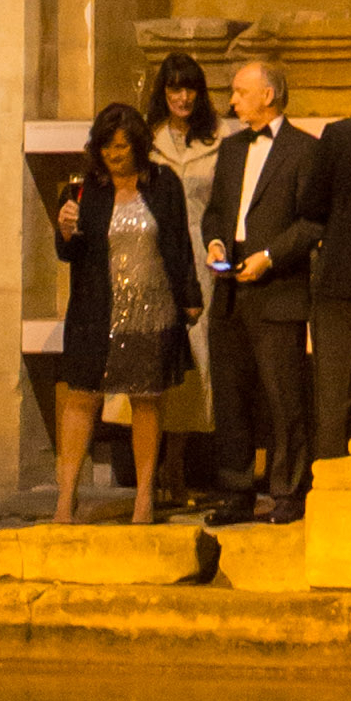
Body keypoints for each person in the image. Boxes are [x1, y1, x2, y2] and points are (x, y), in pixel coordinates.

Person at [49, 98, 197, 523]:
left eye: (122, 146)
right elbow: (68, 253)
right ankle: (66, 497)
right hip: (96, 311)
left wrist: (190, 298)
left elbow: (179, 243)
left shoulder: (164, 183)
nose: (114, 154)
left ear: (138, 145)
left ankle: (144, 497)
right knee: (81, 397)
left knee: (146, 400)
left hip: (151, 310)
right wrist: (64, 230)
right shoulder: (81, 190)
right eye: (107, 146)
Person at [201, 54, 325, 524]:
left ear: (267, 96)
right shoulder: (231, 150)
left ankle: (289, 491)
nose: (231, 101)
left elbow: (312, 220)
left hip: (278, 289)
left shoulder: (304, 150)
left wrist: (270, 257)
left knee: (283, 396)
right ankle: (235, 491)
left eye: (239, 92)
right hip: (229, 288)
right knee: (230, 395)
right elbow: (216, 211)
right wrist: (213, 241)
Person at [139, 51, 226, 508]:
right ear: (163, 91)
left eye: (190, 87)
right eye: (175, 88)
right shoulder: (147, 140)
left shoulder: (220, 137)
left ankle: (178, 467)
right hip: (155, 254)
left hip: (205, 256)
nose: (183, 96)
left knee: (197, 364)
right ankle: (148, 475)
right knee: (154, 357)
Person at [310, 69, 351, 463]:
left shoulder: (339, 135)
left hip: (340, 277)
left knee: (334, 393)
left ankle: (332, 484)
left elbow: (313, 206)